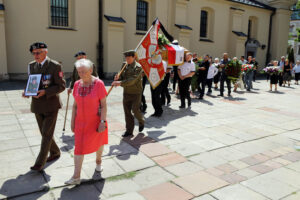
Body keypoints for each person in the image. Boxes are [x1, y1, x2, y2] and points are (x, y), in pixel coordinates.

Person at [22, 42, 66, 171]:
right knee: (44, 133)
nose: (35, 55)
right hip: (37, 105)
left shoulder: (55, 66)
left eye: (38, 52)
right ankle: (55, 152)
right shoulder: (31, 66)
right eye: (34, 53)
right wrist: (27, 91)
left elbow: (61, 86)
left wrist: (46, 92)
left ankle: (40, 163)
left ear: (45, 52)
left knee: (46, 133)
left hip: (51, 105)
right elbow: (31, 82)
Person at [65, 59, 108, 185]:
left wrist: (102, 122)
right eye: (79, 72)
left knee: (99, 143)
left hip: (96, 121)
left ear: (90, 70)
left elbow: (104, 105)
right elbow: (75, 106)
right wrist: (72, 122)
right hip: (80, 123)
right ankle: (76, 177)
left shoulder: (99, 84)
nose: (81, 74)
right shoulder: (77, 84)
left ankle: (98, 162)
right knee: (78, 148)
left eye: (84, 71)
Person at [111, 50, 144, 137]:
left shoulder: (138, 67)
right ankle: (129, 131)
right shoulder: (124, 65)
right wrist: (117, 77)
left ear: (134, 57)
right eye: (126, 57)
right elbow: (121, 75)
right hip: (127, 92)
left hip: (136, 92)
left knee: (136, 111)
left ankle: (141, 121)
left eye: (129, 58)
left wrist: (120, 83)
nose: (127, 59)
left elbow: (132, 80)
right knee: (127, 112)